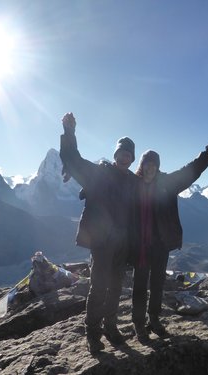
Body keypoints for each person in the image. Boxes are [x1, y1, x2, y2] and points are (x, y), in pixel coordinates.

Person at [59, 112, 138, 354]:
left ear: (132, 159)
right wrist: (70, 132)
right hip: (102, 242)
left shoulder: (134, 182)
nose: (125, 157)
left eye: (129, 154)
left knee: (115, 287)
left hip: (122, 243)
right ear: (115, 155)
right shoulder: (98, 174)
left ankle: (110, 327)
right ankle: (92, 333)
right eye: (122, 153)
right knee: (99, 286)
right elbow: (72, 159)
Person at [131, 144, 208, 342]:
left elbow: (189, 172)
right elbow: (109, 183)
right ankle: (138, 323)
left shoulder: (167, 183)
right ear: (141, 166)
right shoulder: (131, 184)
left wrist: (204, 157)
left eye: (154, 165)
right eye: (147, 164)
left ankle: (154, 318)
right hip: (139, 245)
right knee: (140, 285)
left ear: (158, 167)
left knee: (157, 283)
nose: (150, 168)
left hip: (160, 243)